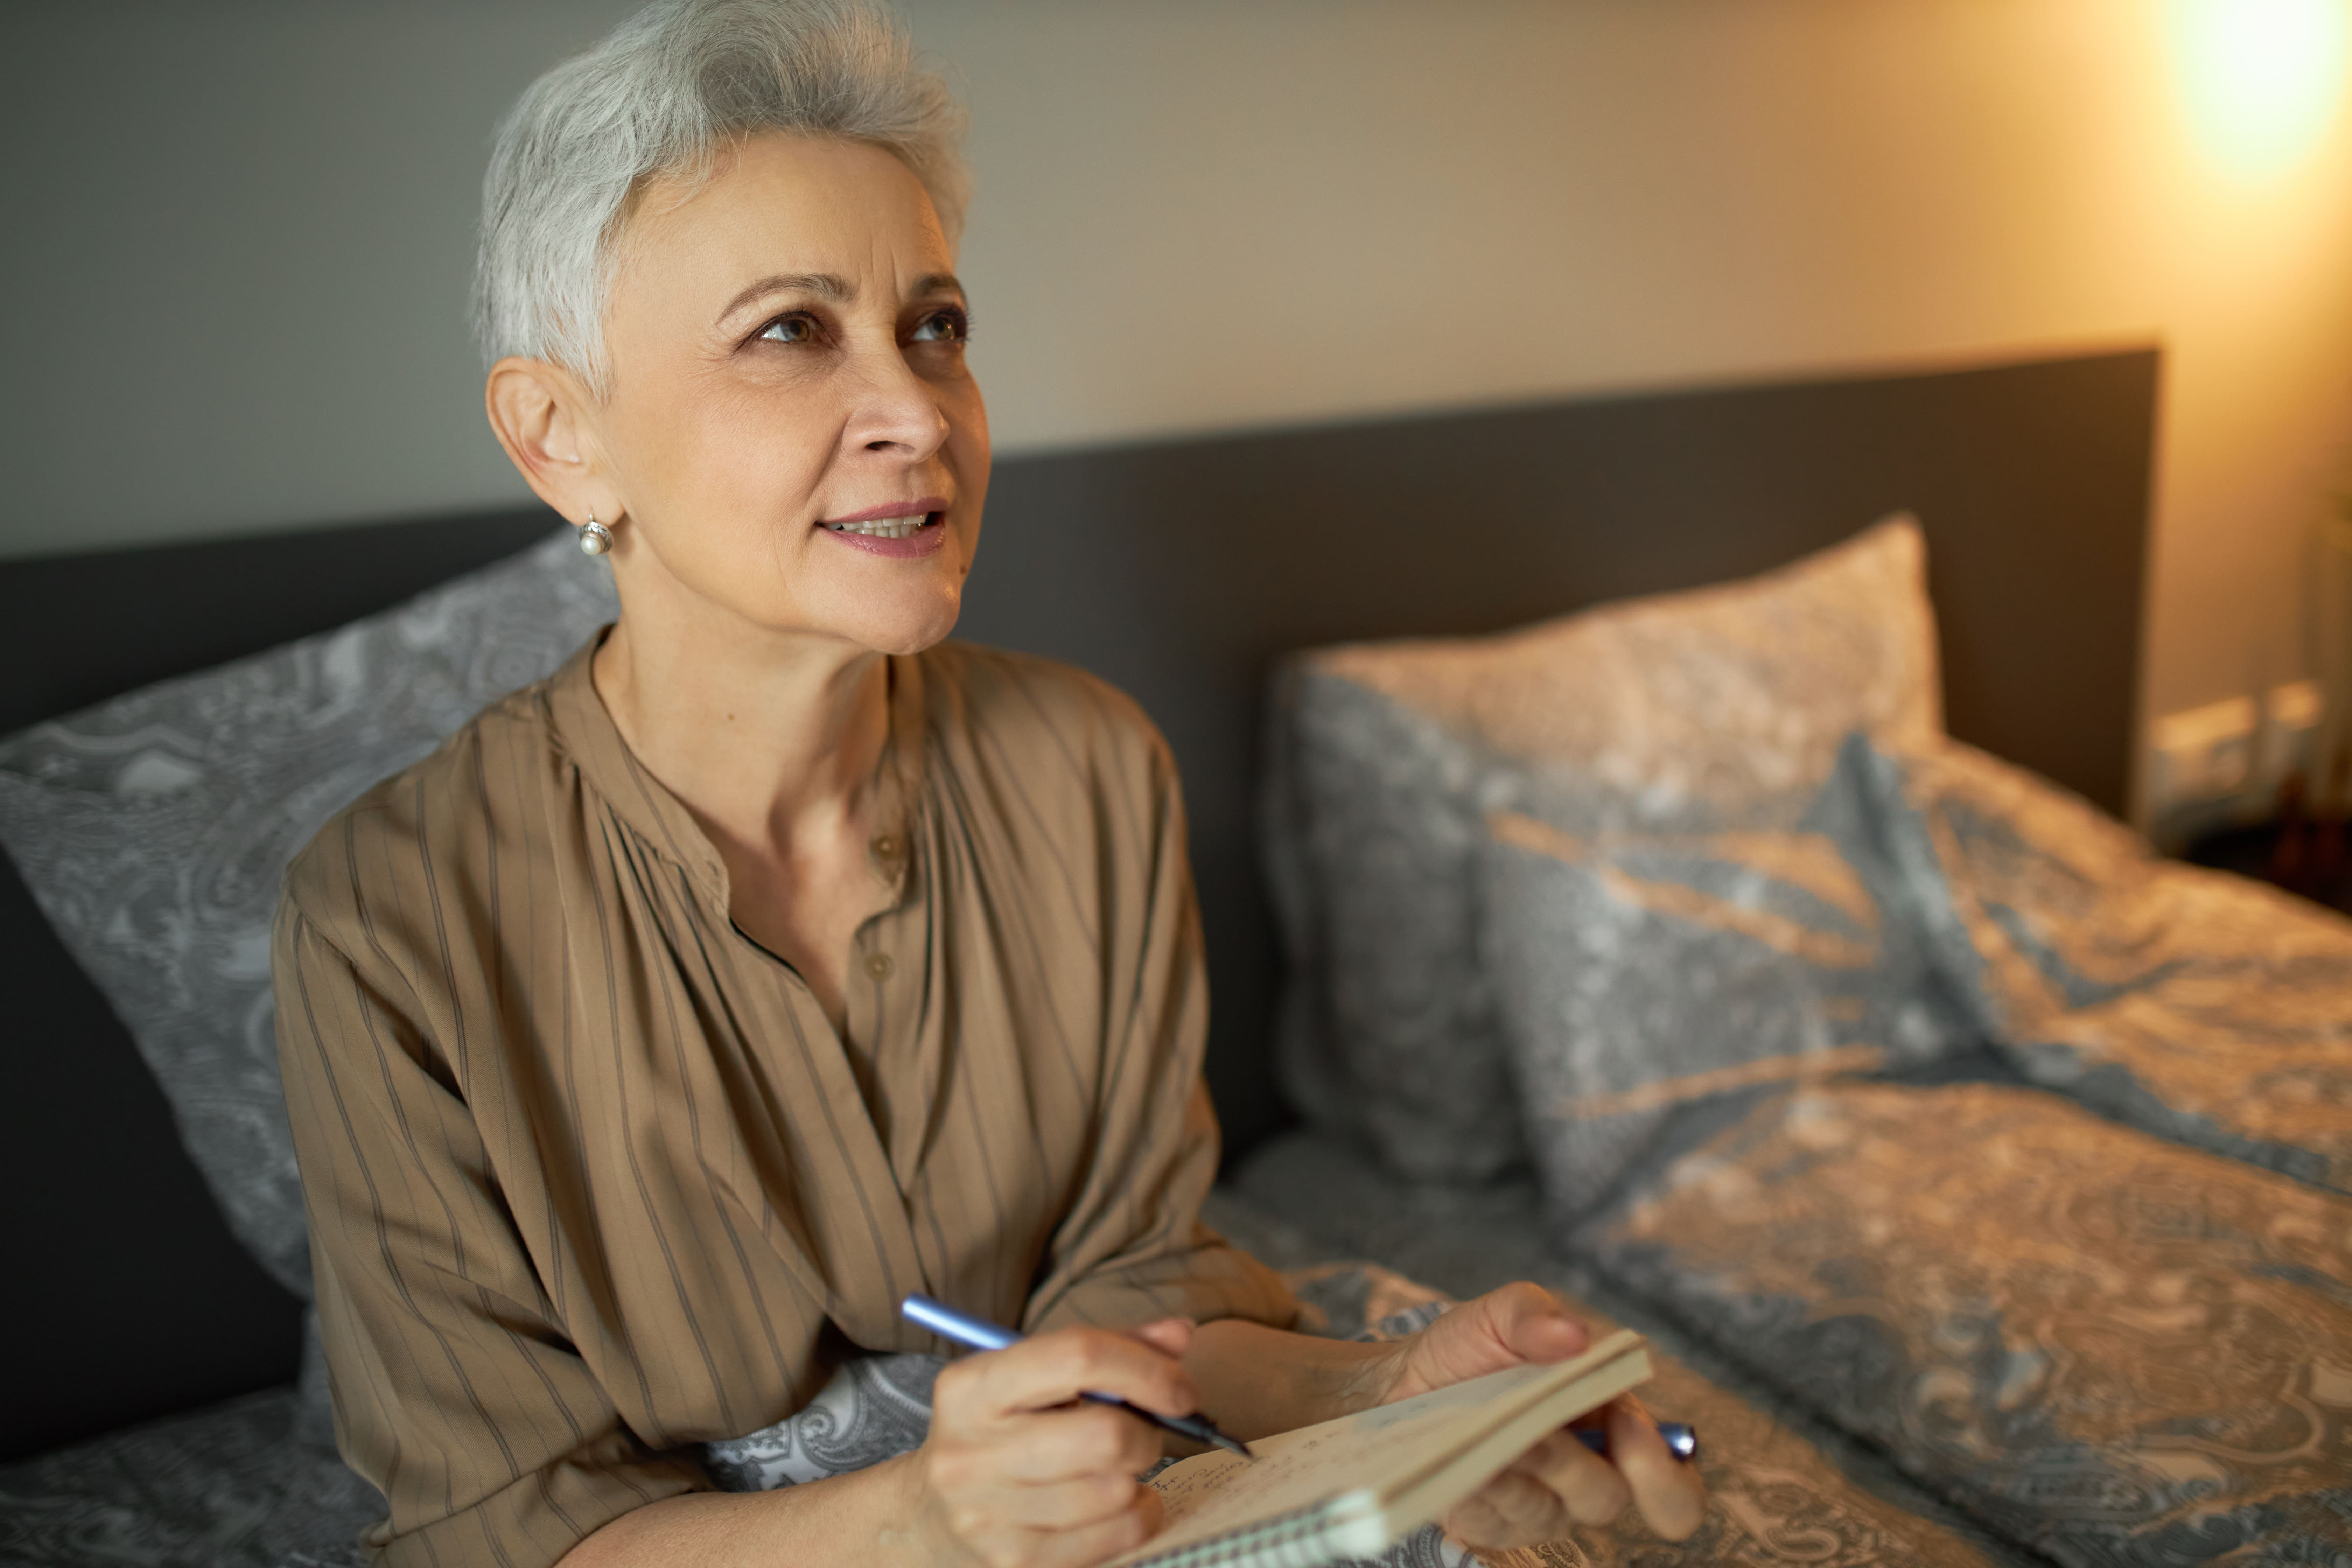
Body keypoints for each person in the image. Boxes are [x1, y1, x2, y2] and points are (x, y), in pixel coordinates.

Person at [270, 2, 1708, 1565]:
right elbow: (507, 1536)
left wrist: (1389, 1390)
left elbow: (1138, 1293)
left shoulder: (1088, 769)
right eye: (790, 331)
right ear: (563, 440)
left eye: (935, 326)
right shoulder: (390, 919)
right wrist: (925, 1514)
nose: (918, 415)